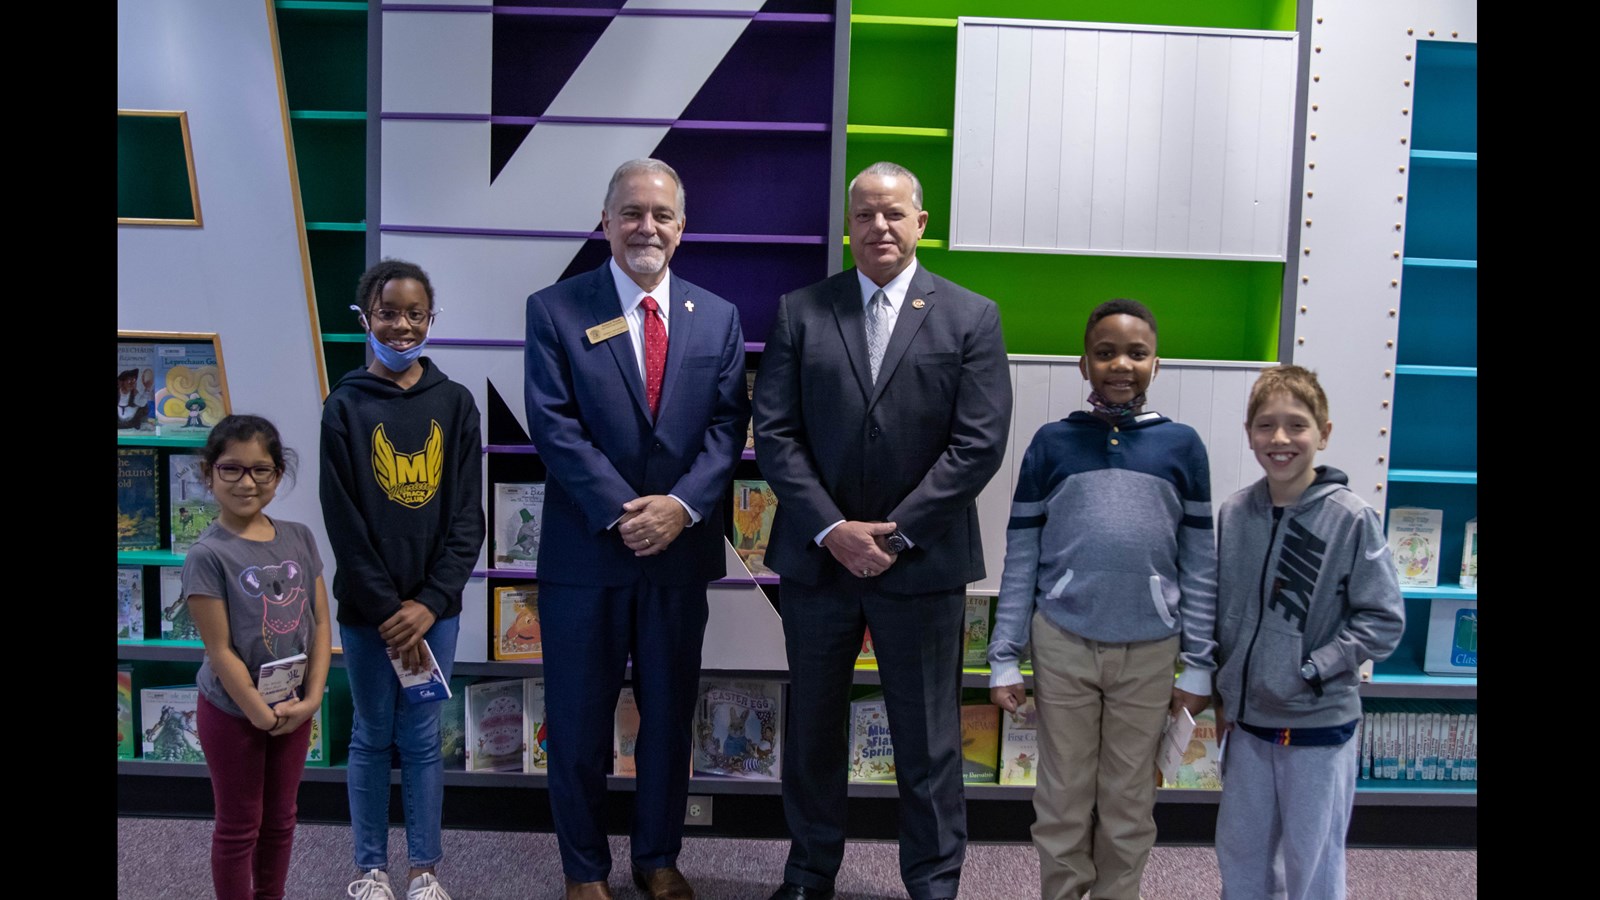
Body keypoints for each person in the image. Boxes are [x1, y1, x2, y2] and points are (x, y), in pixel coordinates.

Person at [752, 161, 1012, 900]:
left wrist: (893, 536)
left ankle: (933, 880)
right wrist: (834, 529)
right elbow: (774, 434)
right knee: (813, 734)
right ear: (848, 224)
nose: (880, 228)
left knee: (928, 739)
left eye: (894, 214)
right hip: (819, 563)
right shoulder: (802, 311)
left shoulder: (970, 316)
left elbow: (979, 444)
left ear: (921, 223)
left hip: (922, 566)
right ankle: (808, 873)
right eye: (865, 214)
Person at [523, 158, 750, 900]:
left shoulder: (716, 317)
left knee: (667, 721)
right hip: (586, 556)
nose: (645, 226)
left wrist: (679, 509)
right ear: (605, 222)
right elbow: (553, 426)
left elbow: (727, 428)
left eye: (661, 214)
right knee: (579, 726)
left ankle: (657, 857)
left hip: (677, 560)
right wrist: (629, 512)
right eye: (631, 212)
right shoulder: (555, 309)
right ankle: (583, 868)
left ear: (681, 229)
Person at [987, 298, 1218, 900]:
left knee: (1129, 801)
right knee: (1062, 799)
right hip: (1063, 644)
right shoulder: (1051, 444)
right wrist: (1004, 655)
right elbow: (1022, 559)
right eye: (1106, 352)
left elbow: (1199, 564)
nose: (1121, 364)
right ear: (1083, 364)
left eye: (1136, 353)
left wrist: (1198, 663)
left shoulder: (1183, 448)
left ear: (1156, 364)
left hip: (1149, 652)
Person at [321, 259, 485, 900]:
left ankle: (423, 870)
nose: (402, 324)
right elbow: (345, 524)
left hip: (435, 613)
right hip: (369, 614)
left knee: (420, 737)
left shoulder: (457, 403)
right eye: (389, 312)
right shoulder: (344, 405)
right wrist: (392, 610)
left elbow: (466, 518)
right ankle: (369, 869)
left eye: (415, 313)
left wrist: (430, 605)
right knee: (369, 735)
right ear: (366, 316)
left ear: (431, 318)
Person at [1212, 365, 1404, 900]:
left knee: (1312, 862)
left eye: (1296, 425)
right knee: (1241, 858)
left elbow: (1383, 619)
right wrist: (1224, 688)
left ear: (1324, 432)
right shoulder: (1235, 513)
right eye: (1265, 425)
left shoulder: (1351, 518)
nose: (1280, 439)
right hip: (1248, 730)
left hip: (1319, 727)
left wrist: (1312, 670)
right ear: (1248, 432)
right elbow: (1225, 612)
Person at [181, 414, 332, 900]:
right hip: (233, 712)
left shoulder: (300, 537)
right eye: (232, 469)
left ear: (278, 474)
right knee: (239, 825)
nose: (247, 482)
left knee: (281, 820)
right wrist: (256, 712)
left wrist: (311, 702)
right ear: (208, 473)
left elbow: (321, 624)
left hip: (291, 708)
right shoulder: (208, 554)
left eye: (260, 470)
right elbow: (219, 648)